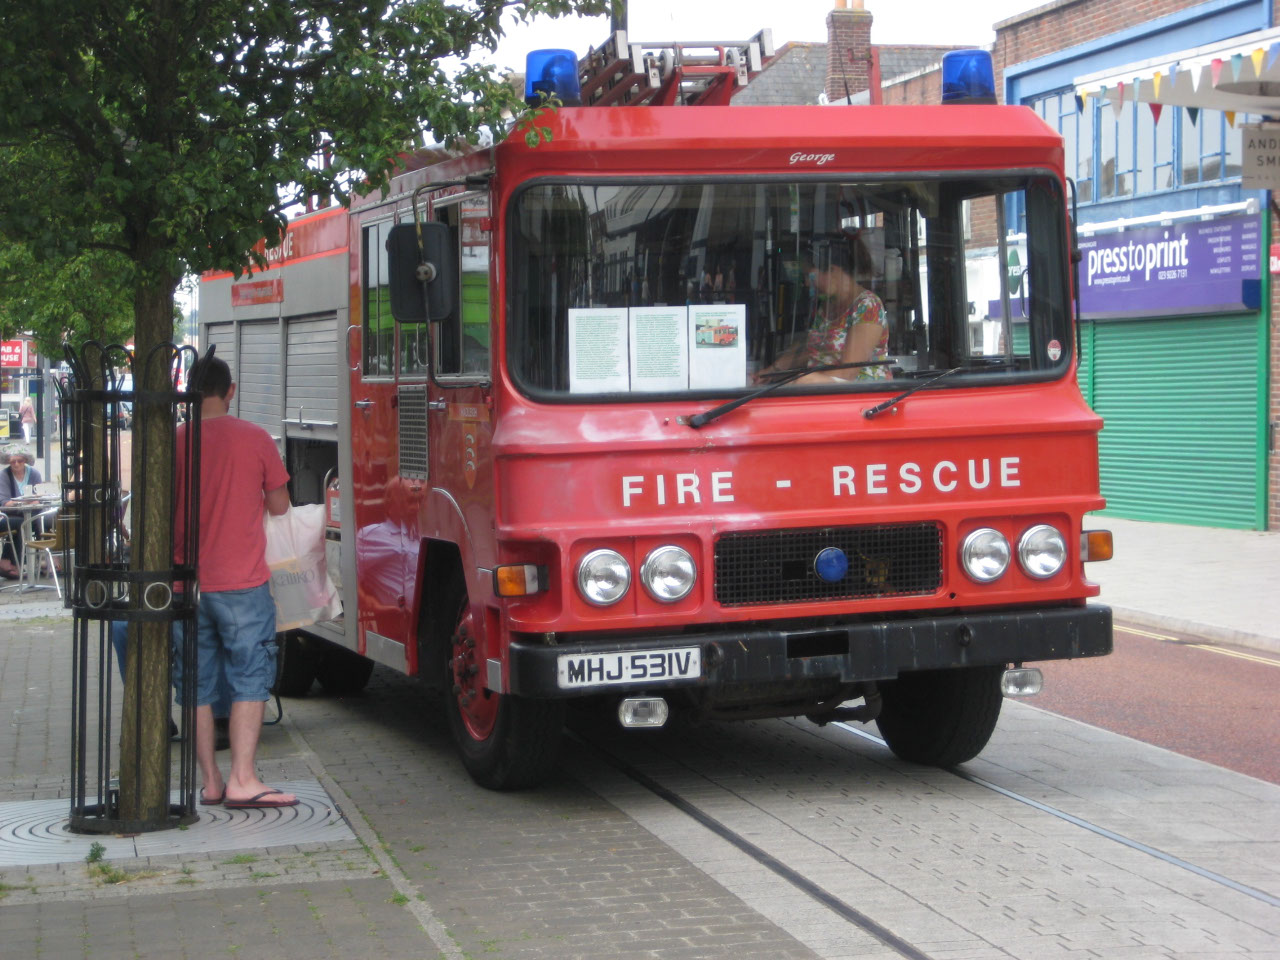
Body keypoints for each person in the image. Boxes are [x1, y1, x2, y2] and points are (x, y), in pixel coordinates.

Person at [174, 356, 295, 808]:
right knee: (249, 676)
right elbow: (281, 507)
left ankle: (210, 781)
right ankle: (243, 778)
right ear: (232, 390)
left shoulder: (175, 442)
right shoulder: (256, 439)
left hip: (186, 585)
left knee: (195, 684)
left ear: (189, 392)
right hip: (242, 582)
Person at [756, 235, 890, 386]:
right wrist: (773, 370)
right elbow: (812, 349)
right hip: (822, 394)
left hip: (860, 400)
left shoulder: (867, 306)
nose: (807, 283)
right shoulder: (826, 306)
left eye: (809, 276)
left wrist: (802, 381)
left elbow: (848, 373)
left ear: (833, 270)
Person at [1, 444, 44, 580]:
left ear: (25, 460)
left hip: (31, 513)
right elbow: (5, 503)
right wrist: (26, 502)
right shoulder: (4, 476)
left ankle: (42, 558)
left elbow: (39, 497)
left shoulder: (34, 474)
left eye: (19, 460)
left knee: (42, 519)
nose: (16, 464)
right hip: (8, 517)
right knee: (22, 523)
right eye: (13, 461)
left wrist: (29, 502)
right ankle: (13, 563)